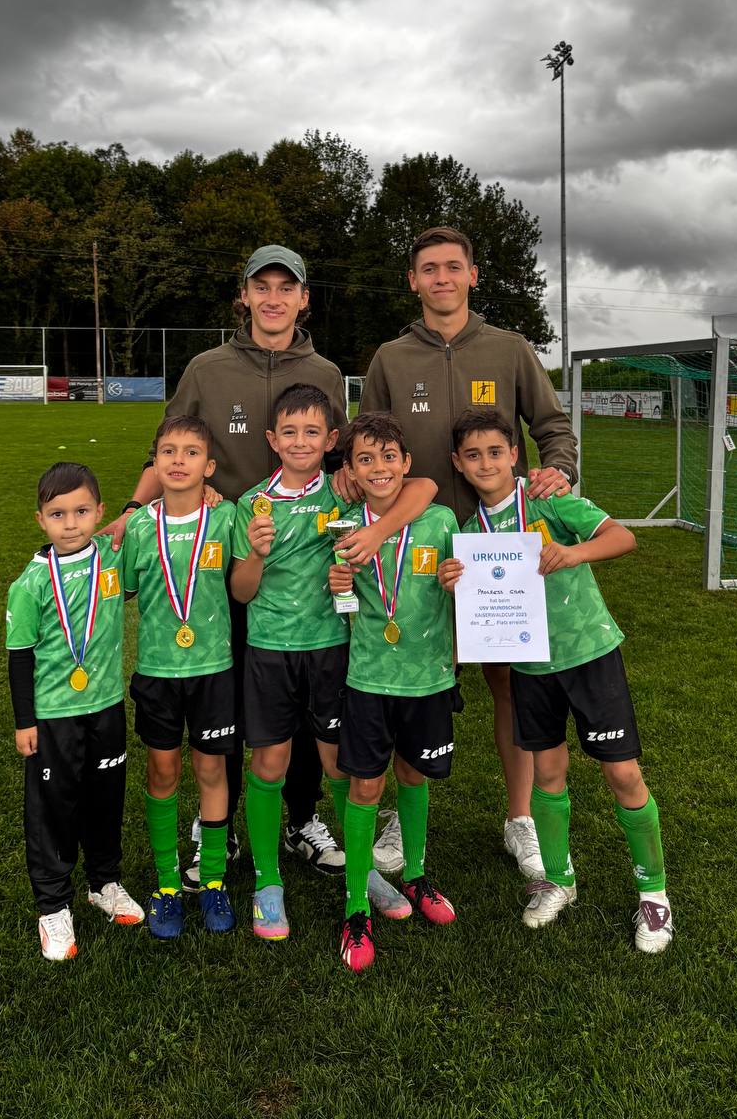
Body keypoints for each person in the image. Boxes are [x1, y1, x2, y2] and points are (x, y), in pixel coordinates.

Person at [103, 245, 365, 882]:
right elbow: (166, 450)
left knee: (302, 697)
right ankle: (215, 826)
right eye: (261, 287)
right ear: (243, 296)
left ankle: (301, 817)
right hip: (222, 560)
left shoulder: (325, 372)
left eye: (286, 288)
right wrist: (131, 511)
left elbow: (338, 459)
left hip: (302, 572)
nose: (273, 298)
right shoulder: (206, 368)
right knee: (225, 699)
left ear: (304, 300)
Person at [359, 225, 579, 880]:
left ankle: (520, 819)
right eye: (429, 268)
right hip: (414, 548)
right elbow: (365, 441)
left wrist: (559, 467)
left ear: (473, 275)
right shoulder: (391, 358)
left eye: (453, 267)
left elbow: (552, 427)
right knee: (410, 676)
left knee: (509, 681)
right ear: (413, 281)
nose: (442, 278)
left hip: (498, 547)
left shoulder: (509, 349)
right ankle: (402, 817)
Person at [438, 407, 673, 953]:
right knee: (547, 772)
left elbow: (621, 537)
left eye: (495, 452)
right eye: (472, 455)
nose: (485, 463)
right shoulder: (470, 534)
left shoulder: (547, 498)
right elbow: (478, 611)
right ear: (458, 463)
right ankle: (559, 881)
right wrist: (456, 584)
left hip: (588, 653)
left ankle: (654, 895)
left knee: (622, 773)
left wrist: (572, 553)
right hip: (529, 667)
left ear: (514, 455)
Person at [231, 386, 435, 942]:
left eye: (312, 432)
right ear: (272, 439)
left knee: (340, 765)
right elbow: (242, 591)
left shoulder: (344, 494)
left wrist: (375, 529)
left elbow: (424, 487)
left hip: (332, 648)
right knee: (269, 763)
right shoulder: (251, 504)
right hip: (270, 650)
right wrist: (256, 554)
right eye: (289, 432)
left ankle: (361, 868)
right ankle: (267, 881)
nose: (300, 441)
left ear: (331, 441)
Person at [328, 412, 460, 972]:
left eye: (388, 457)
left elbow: (468, 594)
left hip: (427, 678)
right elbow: (344, 607)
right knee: (366, 784)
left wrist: (458, 581)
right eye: (365, 459)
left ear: (406, 463)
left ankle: (416, 874)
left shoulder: (440, 520)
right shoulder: (343, 526)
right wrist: (338, 586)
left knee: (413, 774)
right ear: (352, 470)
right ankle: (356, 905)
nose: (378, 468)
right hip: (368, 678)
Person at [6, 462, 144, 961]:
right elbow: (20, 657)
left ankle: (104, 883)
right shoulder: (30, 585)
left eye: (82, 511)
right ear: (40, 520)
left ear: (100, 512)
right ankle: (53, 906)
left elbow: (157, 515)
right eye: (58, 514)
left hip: (106, 707)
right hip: (54, 716)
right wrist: (26, 721)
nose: (71, 524)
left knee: (106, 799)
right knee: (54, 809)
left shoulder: (113, 557)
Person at [122, 415, 237, 939]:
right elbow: (121, 589)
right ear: (155, 462)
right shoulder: (139, 528)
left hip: (213, 671)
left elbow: (243, 580)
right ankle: (167, 884)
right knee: (163, 771)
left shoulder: (226, 516)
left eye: (191, 452)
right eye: (168, 451)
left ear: (208, 467)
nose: (178, 460)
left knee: (211, 770)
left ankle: (212, 879)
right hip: (158, 672)